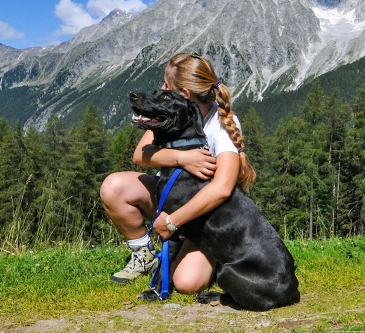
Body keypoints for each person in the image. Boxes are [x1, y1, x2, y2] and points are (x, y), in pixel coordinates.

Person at [100, 52, 256, 295]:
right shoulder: (169, 110)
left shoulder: (221, 123)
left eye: (166, 85)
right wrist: (182, 158)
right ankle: (143, 255)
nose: (161, 89)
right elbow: (140, 154)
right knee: (114, 187)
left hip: (204, 217)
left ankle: (213, 253)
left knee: (186, 283)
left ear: (184, 94)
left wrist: (172, 222)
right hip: (171, 196)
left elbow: (223, 188)